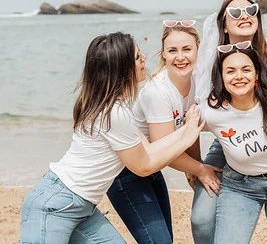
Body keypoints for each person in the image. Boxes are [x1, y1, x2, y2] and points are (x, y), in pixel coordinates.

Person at [19, 32, 204, 243]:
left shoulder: (117, 107)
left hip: (84, 207)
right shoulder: (113, 112)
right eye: (137, 57)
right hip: (56, 204)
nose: (144, 58)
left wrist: (188, 130)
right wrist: (188, 135)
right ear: (122, 67)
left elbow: (148, 150)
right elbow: (143, 166)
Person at [190, 0, 267, 243]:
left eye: (250, 10)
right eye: (234, 13)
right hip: (236, 164)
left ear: (258, 73)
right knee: (202, 217)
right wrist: (196, 166)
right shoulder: (213, 104)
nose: (244, 16)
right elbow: (186, 130)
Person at [106, 21, 220, 243]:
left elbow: (190, 129)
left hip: (152, 169)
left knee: (164, 238)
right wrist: (200, 170)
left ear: (199, 49)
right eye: (172, 51)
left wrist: (195, 165)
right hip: (127, 173)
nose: (180, 57)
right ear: (164, 55)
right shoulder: (157, 92)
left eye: (187, 49)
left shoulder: (199, 82)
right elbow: (165, 152)